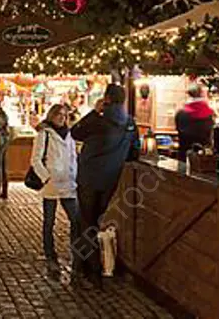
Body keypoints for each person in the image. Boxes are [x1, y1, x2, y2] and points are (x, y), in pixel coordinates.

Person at [70, 83, 138, 286]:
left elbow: (75, 132)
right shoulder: (130, 124)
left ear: (106, 98)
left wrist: (94, 111)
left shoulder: (98, 121)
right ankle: (90, 266)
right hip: (111, 180)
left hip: (89, 178)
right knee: (96, 221)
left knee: (86, 222)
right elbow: (134, 151)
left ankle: (88, 269)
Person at [30, 104, 79, 281]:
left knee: (76, 219)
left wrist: (75, 174)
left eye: (64, 115)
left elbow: (74, 157)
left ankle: (76, 253)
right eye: (58, 114)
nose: (61, 118)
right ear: (52, 115)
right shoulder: (45, 133)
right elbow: (36, 159)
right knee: (49, 221)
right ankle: (50, 255)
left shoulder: (70, 134)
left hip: (68, 182)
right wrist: (46, 177)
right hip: (51, 184)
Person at [175, 83, 215, 161]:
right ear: (201, 94)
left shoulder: (181, 113)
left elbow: (179, 130)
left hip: (184, 155)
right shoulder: (209, 114)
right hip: (203, 158)